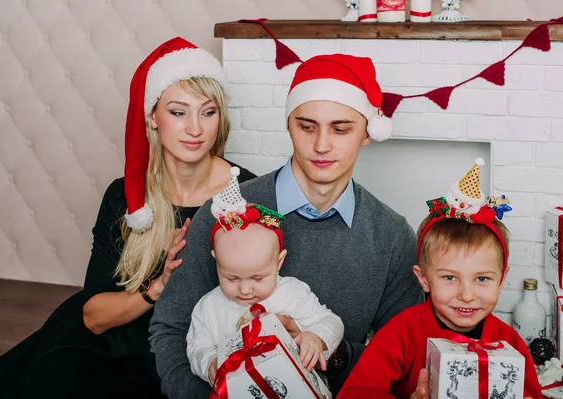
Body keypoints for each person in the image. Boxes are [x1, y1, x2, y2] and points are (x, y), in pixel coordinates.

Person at [0, 37, 255, 398]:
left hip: (189, 350)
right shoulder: (125, 197)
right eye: (178, 112)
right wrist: (157, 288)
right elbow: (94, 316)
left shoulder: (247, 195)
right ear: (153, 117)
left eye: (208, 112)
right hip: (116, 336)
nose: (195, 128)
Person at [149, 53, 424, 398]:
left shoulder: (392, 237)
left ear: (367, 133)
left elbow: (402, 359)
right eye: (307, 126)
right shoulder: (226, 214)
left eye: (340, 129)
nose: (321, 145)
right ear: (288, 125)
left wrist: (324, 351)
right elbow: (171, 331)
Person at [337, 159, 542, 399]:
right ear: (423, 279)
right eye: (449, 277)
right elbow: (355, 393)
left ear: (502, 279)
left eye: (482, 279)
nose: (466, 295)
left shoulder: (509, 342)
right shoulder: (402, 333)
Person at [186, 174, 344, 388]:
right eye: (231, 277)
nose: (245, 289)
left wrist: (317, 337)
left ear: (279, 262)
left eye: (258, 277)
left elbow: (332, 321)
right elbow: (197, 346)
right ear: (216, 262)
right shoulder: (209, 307)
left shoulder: (292, 293)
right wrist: (210, 364)